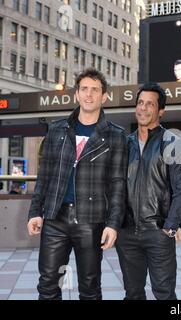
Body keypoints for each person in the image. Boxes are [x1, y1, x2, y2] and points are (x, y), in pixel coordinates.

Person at [27, 68, 128, 300]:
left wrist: (112, 224)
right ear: (77, 94)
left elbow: (118, 185)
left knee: (89, 287)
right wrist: (35, 212)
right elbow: (45, 176)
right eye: (84, 89)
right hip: (55, 220)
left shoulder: (116, 136)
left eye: (95, 90)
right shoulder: (57, 130)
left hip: (91, 222)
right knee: (49, 284)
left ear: (104, 97)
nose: (89, 95)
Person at [116, 82, 181, 300]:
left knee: (164, 294)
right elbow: (114, 186)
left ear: (161, 111)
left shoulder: (173, 143)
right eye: (140, 103)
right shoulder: (124, 144)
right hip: (127, 233)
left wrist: (170, 226)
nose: (143, 108)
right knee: (132, 293)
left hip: (158, 233)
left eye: (150, 104)